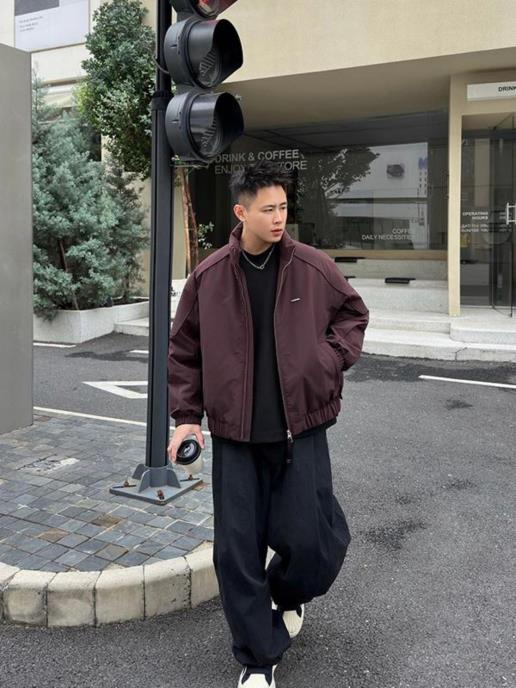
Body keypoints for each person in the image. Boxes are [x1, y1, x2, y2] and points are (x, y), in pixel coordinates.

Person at [167, 161, 369, 688]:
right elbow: (184, 349)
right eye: (267, 209)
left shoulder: (312, 266)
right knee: (237, 553)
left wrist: (327, 359)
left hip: (301, 432)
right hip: (236, 439)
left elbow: (353, 314)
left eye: (283, 207)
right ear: (241, 212)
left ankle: (285, 593)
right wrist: (186, 419)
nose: (279, 218)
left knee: (315, 543)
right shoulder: (209, 276)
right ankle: (259, 657)